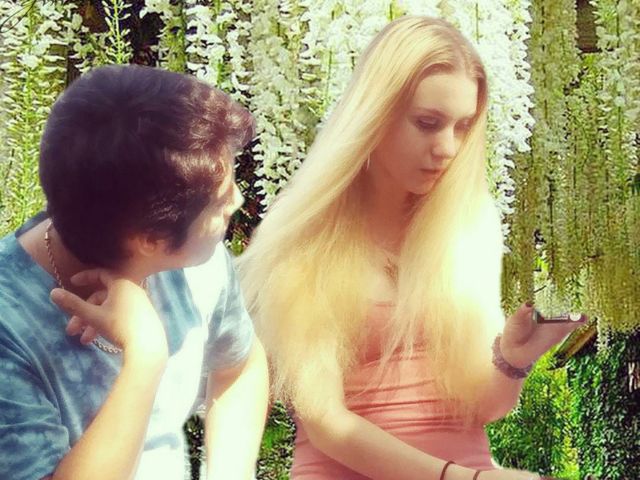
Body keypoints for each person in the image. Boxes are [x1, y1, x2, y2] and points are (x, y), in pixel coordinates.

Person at [236, 16, 585, 480]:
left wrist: (513, 359)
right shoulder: (308, 238)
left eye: (463, 127)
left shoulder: (469, 227)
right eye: (427, 123)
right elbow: (325, 422)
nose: (448, 148)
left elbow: (484, 407)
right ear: (375, 115)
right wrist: (464, 478)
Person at [0, 65, 269, 480]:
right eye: (219, 203)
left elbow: (239, 366)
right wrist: (145, 358)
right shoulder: (10, 327)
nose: (236, 200)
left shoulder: (201, 265)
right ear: (150, 239)